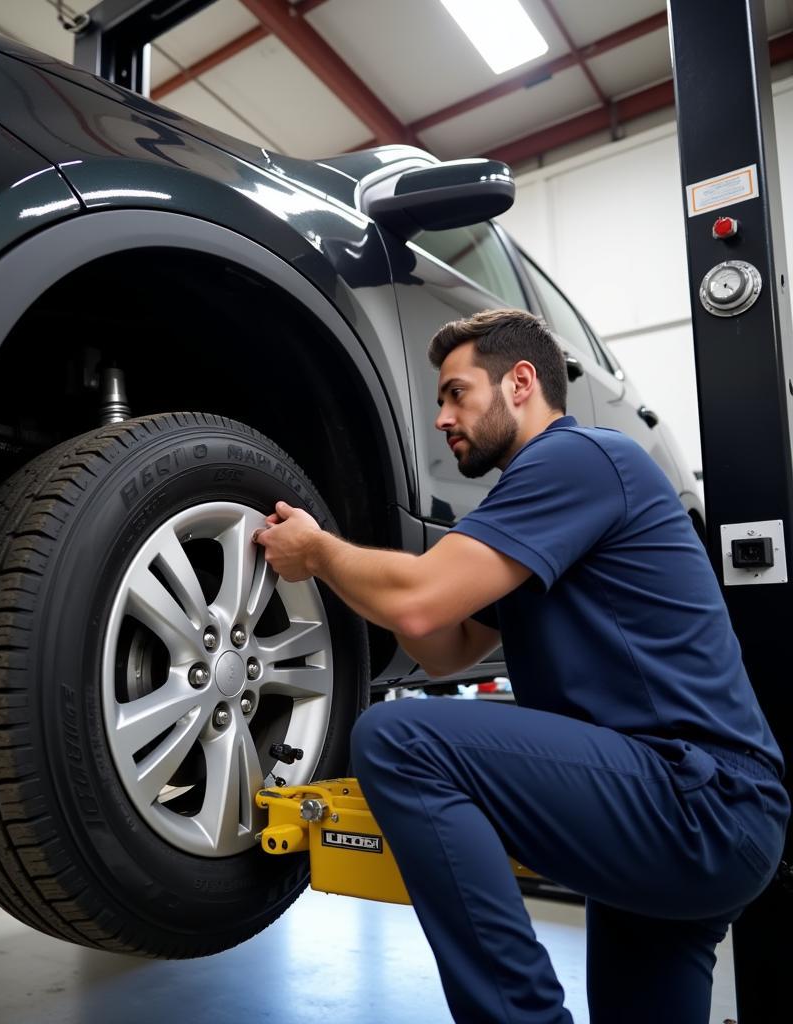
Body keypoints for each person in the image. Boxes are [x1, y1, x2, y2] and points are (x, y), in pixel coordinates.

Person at [252, 308, 789, 1024]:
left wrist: (322, 552)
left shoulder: (581, 458)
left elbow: (416, 606)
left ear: (522, 382)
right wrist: (355, 579)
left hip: (692, 800)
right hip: (681, 818)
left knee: (398, 740)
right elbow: (442, 643)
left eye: (456, 393)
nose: (442, 417)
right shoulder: (535, 506)